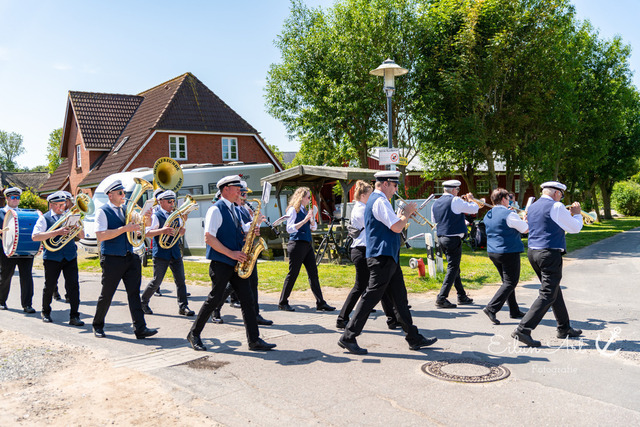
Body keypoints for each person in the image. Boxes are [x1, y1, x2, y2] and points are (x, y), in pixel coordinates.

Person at [338, 171, 438, 355]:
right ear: (385, 184)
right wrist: (406, 214)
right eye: (394, 185)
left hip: (388, 256)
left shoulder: (378, 200)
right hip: (382, 256)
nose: (396, 189)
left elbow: (392, 224)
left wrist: (403, 216)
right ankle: (348, 336)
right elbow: (397, 227)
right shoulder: (379, 201)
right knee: (370, 297)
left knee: (400, 299)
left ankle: (413, 337)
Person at [187, 175, 275, 352]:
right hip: (221, 263)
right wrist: (231, 253)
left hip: (236, 263)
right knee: (214, 299)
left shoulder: (234, 209)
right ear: (226, 189)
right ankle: (194, 334)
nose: (240, 192)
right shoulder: (215, 209)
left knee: (248, 299)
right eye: (237, 189)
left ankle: (254, 340)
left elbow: (238, 230)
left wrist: (252, 229)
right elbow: (209, 238)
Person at [512, 181, 583, 347]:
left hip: (533, 252)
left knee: (554, 290)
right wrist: (577, 214)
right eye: (561, 195)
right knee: (548, 293)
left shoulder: (533, 206)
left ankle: (564, 327)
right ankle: (523, 329)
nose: (561, 198)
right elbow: (575, 228)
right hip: (549, 253)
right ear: (557, 193)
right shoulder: (556, 206)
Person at [92, 179, 157, 339]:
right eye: (120, 193)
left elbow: (144, 228)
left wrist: (147, 217)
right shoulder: (102, 211)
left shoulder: (127, 210)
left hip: (130, 256)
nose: (123, 195)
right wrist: (124, 229)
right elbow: (101, 235)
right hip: (112, 258)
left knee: (134, 294)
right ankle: (97, 325)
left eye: (124, 192)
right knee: (107, 294)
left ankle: (140, 328)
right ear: (110, 195)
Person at [336, 180, 398, 330]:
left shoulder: (363, 207)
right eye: (370, 194)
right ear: (363, 195)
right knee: (361, 286)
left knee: (380, 285)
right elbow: (379, 224)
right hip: (361, 250)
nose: (372, 197)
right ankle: (342, 318)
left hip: (365, 249)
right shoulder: (361, 209)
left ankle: (392, 318)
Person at [31, 191, 84, 325]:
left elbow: (82, 236)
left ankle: (74, 316)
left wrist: (77, 227)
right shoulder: (44, 218)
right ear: (51, 205)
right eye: (58, 205)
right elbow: (35, 236)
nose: (62, 208)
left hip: (70, 256)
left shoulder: (69, 215)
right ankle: (46, 312)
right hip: (52, 257)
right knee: (49, 286)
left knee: (73, 286)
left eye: (63, 204)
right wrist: (57, 232)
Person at [278, 187, 334, 312]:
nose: (309, 199)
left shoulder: (304, 210)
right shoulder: (293, 210)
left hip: (307, 244)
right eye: (308, 197)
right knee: (293, 274)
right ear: (301, 197)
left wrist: (311, 219)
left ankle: (320, 302)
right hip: (296, 244)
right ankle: (283, 302)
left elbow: (313, 228)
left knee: (313, 273)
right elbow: (289, 228)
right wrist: (304, 220)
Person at [140, 190, 195, 317]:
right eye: (169, 202)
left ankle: (183, 306)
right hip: (161, 253)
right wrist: (162, 231)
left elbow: (178, 229)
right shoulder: (156, 216)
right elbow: (146, 233)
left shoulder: (176, 215)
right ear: (161, 202)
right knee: (156, 281)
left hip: (174, 252)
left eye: (173, 201)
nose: (172, 204)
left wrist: (181, 232)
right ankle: (143, 302)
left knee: (181, 280)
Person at [481, 188, 528, 325]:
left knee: (507, 282)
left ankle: (514, 310)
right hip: (508, 251)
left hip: (493, 251)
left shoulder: (488, 214)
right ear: (503, 199)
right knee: (511, 282)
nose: (510, 201)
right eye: (508, 199)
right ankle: (491, 308)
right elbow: (525, 229)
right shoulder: (509, 214)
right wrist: (525, 219)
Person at [431, 180, 478, 308]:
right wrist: (471, 199)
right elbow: (474, 209)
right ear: (453, 190)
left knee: (455, 267)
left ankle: (461, 295)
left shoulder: (435, 203)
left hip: (442, 237)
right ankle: (441, 298)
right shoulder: (455, 200)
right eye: (457, 190)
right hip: (453, 238)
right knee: (453, 268)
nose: (458, 192)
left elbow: (434, 220)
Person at [0, 187, 36, 313]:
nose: (15, 200)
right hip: (7, 250)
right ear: (7, 198)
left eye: (17, 197)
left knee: (27, 277)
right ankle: (1, 301)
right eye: (13, 197)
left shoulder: (24, 214)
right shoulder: (1, 212)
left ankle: (27, 304)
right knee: (5, 276)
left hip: (24, 249)